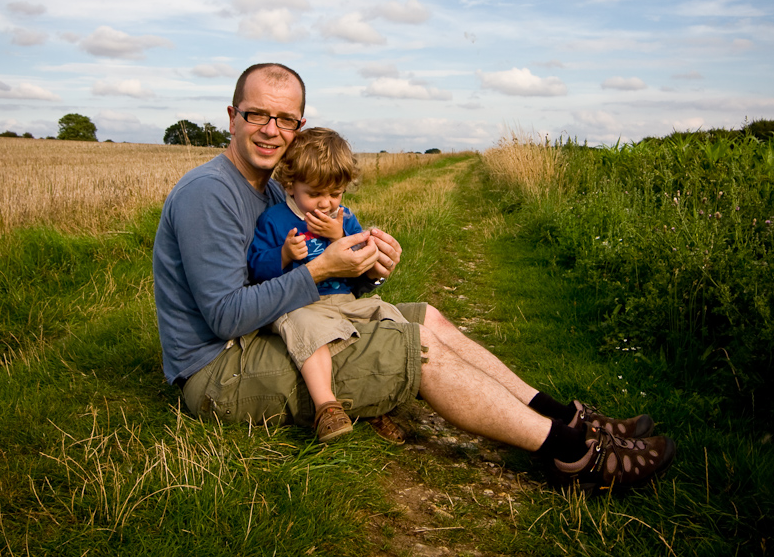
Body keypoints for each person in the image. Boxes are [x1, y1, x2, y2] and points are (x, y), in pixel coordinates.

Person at [153, 62, 676, 496]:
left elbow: (317, 286)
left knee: (431, 318)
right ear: (231, 116)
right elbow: (224, 316)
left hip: (274, 332)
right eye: (256, 114)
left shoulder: (277, 190)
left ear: (299, 126)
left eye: (284, 119)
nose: (270, 129)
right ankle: (574, 457)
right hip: (219, 369)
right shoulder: (209, 193)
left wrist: (368, 271)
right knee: (413, 347)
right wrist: (320, 270)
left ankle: (567, 417)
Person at [247, 126, 410, 442]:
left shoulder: (344, 218)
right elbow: (255, 269)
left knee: (386, 313)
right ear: (291, 185)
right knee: (310, 330)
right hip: (300, 305)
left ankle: (379, 397)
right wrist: (282, 254)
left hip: (344, 301)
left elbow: (364, 265)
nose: (325, 204)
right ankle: (327, 407)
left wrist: (341, 237)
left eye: (334, 194)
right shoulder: (275, 220)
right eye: (315, 194)